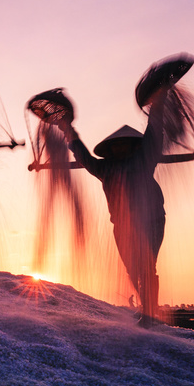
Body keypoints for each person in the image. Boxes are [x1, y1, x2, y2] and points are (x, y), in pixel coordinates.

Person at [59, 92, 168, 327]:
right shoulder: (104, 168)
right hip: (122, 226)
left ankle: (150, 314)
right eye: (116, 146)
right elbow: (83, 156)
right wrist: (69, 130)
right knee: (133, 269)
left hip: (152, 219)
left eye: (124, 145)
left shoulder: (143, 160)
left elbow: (153, 135)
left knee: (147, 265)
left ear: (132, 147)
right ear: (110, 150)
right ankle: (148, 310)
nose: (120, 149)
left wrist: (158, 104)